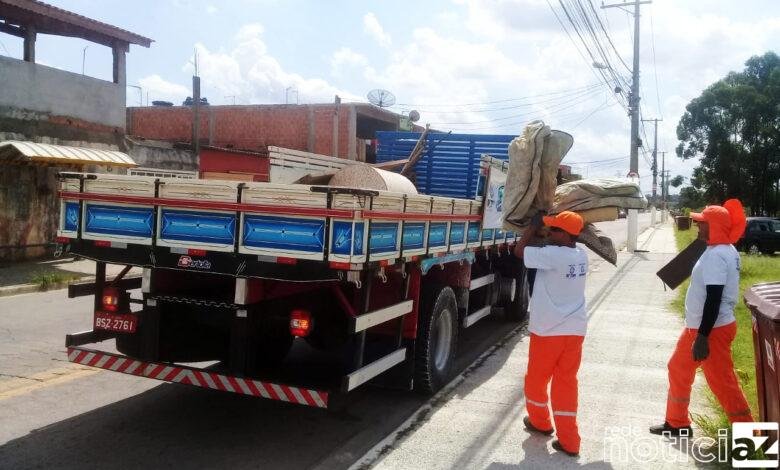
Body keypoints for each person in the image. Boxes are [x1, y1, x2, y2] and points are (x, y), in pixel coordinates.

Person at [650, 199, 753, 436]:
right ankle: (677, 423)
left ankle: (752, 447)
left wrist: (703, 337)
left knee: (724, 385)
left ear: (714, 226)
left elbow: (714, 298)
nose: (698, 227)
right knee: (678, 368)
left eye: (702, 223)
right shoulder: (721, 249)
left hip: (711, 330)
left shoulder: (718, 255)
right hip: (698, 328)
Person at [513, 211, 587, 458]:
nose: (550, 233)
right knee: (566, 384)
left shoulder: (552, 255)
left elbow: (519, 251)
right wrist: (545, 230)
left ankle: (541, 423)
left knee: (535, 381)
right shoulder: (581, 255)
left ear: (566, 235)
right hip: (574, 331)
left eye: (555, 230)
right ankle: (570, 441)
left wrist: (532, 229)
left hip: (548, 331)